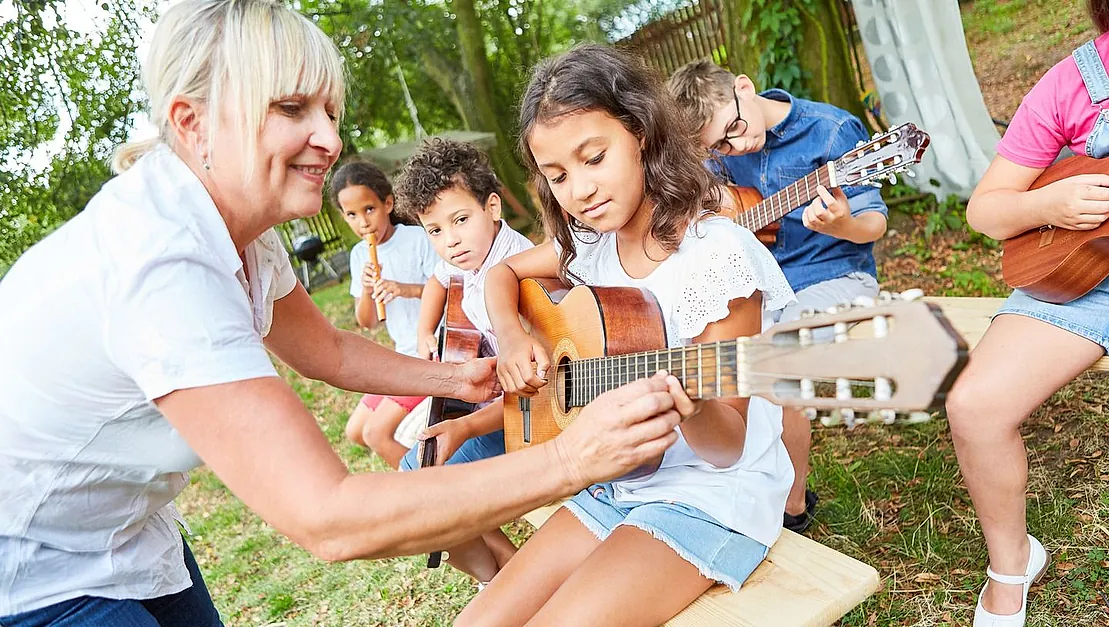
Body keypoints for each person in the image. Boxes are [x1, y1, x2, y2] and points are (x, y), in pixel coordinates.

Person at [0, 4, 691, 625]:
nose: (329, 138)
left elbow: (323, 348)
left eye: (329, 111)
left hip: (128, 531)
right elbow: (326, 518)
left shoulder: (237, 229)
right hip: (33, 568)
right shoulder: (160, 265)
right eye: (293, 109)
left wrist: (453, 380)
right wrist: (572, 457)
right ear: (191, 122)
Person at [456, 44, 797, 626]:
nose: (581, 190)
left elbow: (728, 445)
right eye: (558, 176)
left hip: (709, 496)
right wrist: (512, 337)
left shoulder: (718, 258)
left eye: (594, 157)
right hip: (615, 478)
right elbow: (502, 271)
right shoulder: (588, 247)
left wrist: (685, 403)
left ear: (639, 131)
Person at [667, 59, 890, 533]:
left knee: (772, 360)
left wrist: (842, 224)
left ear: (744, 88)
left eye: (735, 129)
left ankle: (792, 506)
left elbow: (875, 223)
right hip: (763, 286)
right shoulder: (715, 153)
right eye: (719, 146)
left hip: (835, 275)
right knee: (700, 359)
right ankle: (720, 486)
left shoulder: (830, 132)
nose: (735, 146)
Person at [945, 2, 1109, 624]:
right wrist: (1054, 203)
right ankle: (1010, 568)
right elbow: (986, 211)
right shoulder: (1075, 83)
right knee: (974, 406)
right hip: (1085, 280)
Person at [389, 137, 536, 585]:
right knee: (417, 472)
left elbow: (539, 388)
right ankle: (502, 576)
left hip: (536, 417)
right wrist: (422, 334)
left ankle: (506, 580)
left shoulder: (520, 271)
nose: (450, 241)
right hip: (503, 403)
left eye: (460, 220)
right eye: (434, 230)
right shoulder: (471, 257)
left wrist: (466, 425)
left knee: (418, 477)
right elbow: (439, 280)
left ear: (493, 206)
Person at [331, 159, 439, 466]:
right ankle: (422, 463)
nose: (363, 222)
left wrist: (404, 289)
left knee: (376, 434)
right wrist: (367, 287)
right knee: (355, 431)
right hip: (400, 356)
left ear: (388, 203)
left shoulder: (417, 239)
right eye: (352, 215)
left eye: (369, 209)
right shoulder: (358, 255)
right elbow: (366, 321)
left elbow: (446, 290)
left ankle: (429, 489)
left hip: (430, 353)